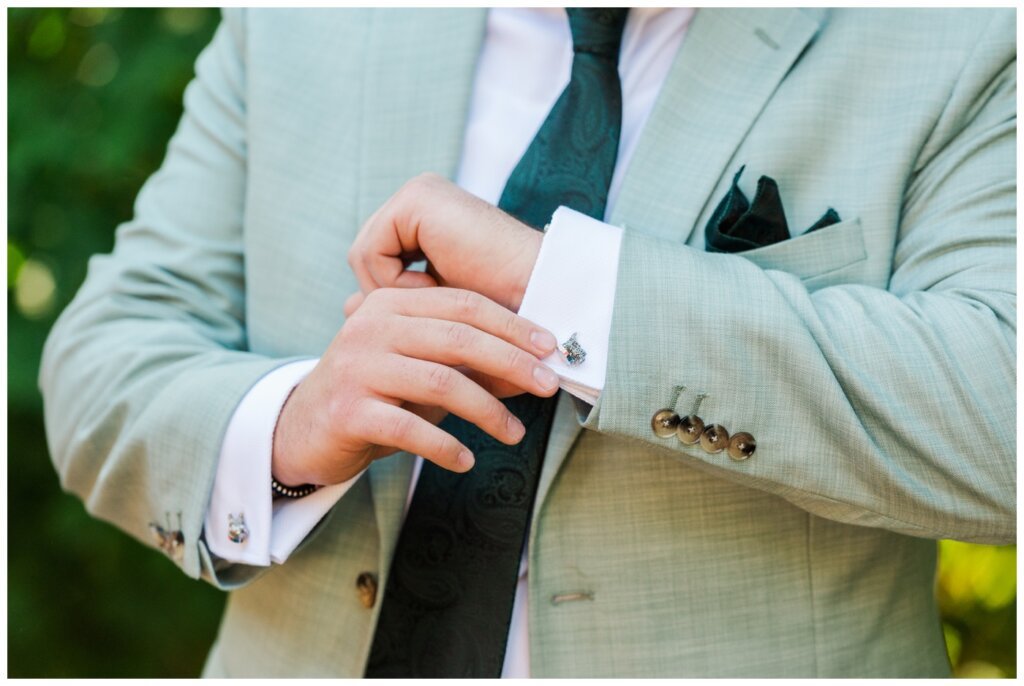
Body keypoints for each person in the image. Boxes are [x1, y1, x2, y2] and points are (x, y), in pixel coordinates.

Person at [40, 7, 1015, 678]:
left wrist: (567, 287)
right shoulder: (303, 15)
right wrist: (291, 425)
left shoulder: (964, 33)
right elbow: (104, 357)